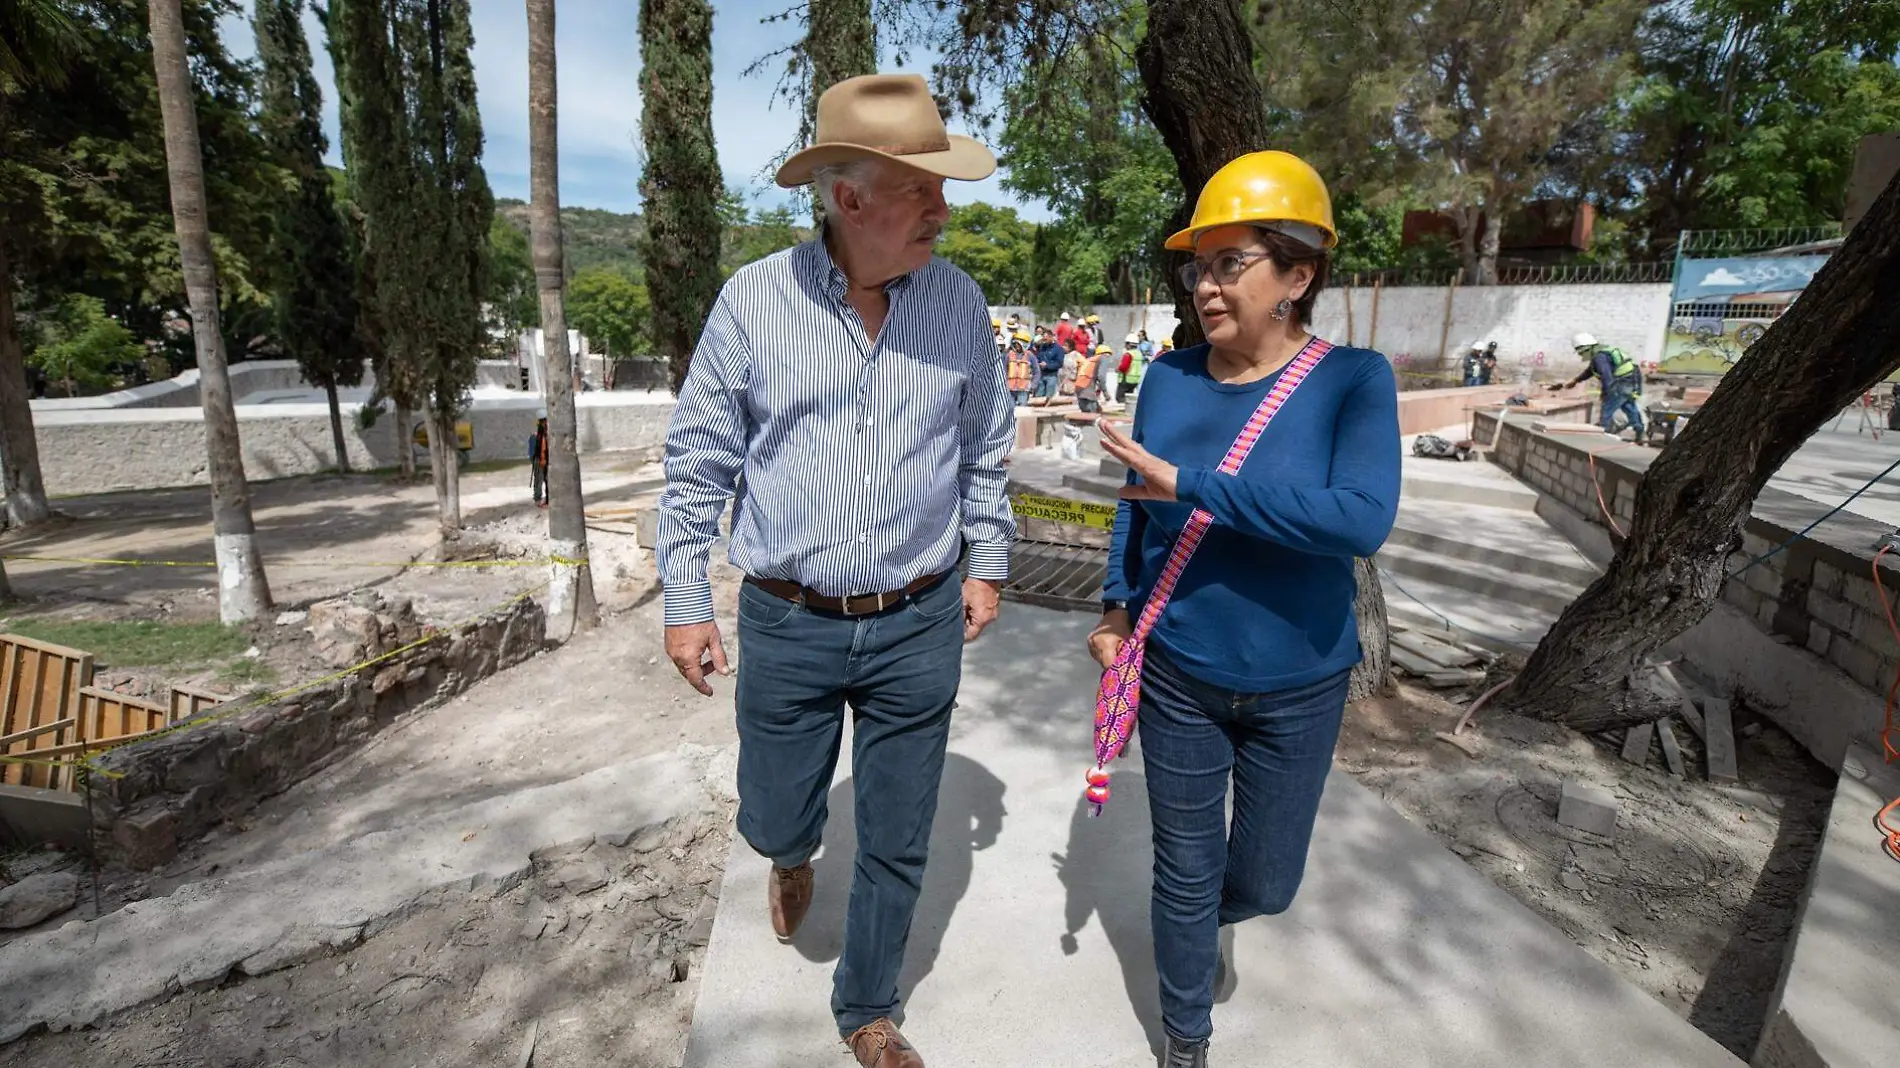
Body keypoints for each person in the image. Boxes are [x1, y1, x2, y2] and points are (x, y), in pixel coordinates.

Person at [654, 73, 1015, 1068]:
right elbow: (698, 462)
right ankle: (789, 850)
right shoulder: (753, 303)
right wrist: (686, 601)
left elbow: (984, 448)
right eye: (920, 188)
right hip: (788, 620)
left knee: (901, 831)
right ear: (848, 199)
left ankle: (867, 1007)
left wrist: (985, 563)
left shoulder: (957, 304)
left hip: (919, 616)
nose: (944, 208)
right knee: (775, 805)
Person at [1088, 150, 1400, 1068]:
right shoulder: (1173, 380)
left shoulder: (1354, 380)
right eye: (1198, 266)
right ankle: (1187, 1039)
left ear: (1299, 275)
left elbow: (1359, 519)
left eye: (1232, 263)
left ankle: (1218, 919)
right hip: (1180, 670)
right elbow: (1133, 508)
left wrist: (1193, 483)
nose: (1205, 286)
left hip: (1301, 680)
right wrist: (1114, 610)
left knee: (1264, 882)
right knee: (1183, 871)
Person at [1555, 331, 1645, 440]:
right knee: (1629, 407)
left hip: (1621, 384)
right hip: (1631, 381)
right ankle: (1640, 433)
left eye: (1580, 352)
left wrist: (1606, 393)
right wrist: (1575, 380)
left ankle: (1602, 435)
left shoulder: (1599, 357)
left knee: (1607, 410)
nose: (1580, 355)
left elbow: (1606, 377)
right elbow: (1590, 371)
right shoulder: (1602, 353)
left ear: (1585, 349)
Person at [1076, 343, 1111, 413]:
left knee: (1086, 417)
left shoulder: (1090, 360)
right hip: (1087, 392)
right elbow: (1101, 376)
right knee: (1092, 419)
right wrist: (1106, 394)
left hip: (1079, 389)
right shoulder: (1103, 358)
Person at [1005, 332, 1038, 406]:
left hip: (1024, 388)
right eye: (1015, 344)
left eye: (1018, 344)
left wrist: (1033, 385)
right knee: (1010, 409)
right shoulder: (1009, 355)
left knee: (1022, 409)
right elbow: (1004, 370)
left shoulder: (1030, 356)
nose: (1016, 346)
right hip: (1010, 388)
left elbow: (1036, 371)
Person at [1034, 326, 1067, 399]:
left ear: (1051, 337)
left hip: (1052, 376)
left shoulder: (1058, 349)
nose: (1044, 341)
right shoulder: (1042, 347)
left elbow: (1059, 363)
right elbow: (1039, 357)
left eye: (1046, 339)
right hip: (1042, 374)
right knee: (1038, 395)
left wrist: (1047, 365)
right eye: (1043, 339)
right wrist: (1039, 363)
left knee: (1049, 396)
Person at [527, 408, 549, 508]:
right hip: (538, 460)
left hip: (547, 459)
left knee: (548, 480)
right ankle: (538, 499)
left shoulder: (548, 435)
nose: (545, 423)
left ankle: (548, 498)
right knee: (538, 481)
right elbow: (532, 451)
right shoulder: (535, 436)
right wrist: (535, 461)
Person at [1118, 332, 1146, 404]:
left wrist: (1118, 369)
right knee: (1128, 399)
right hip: (1135, 380)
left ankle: (1122, 414)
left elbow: (1124, 367)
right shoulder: (1139, 354)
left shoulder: (1128, 354)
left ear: (1128, 344)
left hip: (1126, 379)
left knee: (1120, 398)